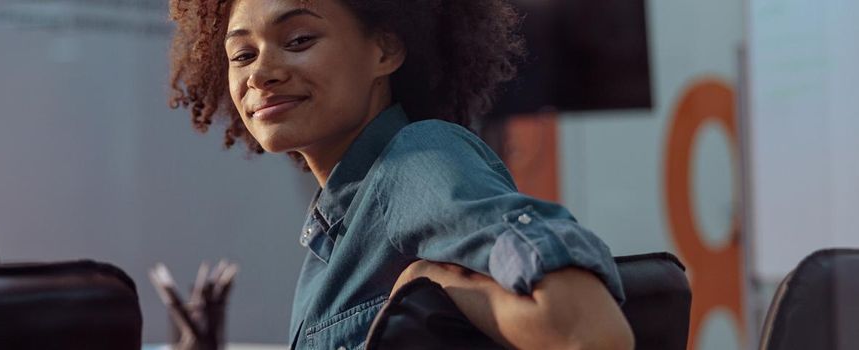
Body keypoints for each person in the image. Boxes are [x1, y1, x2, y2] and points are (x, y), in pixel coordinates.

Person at [167, 0, 634, 348]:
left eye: (299, 40)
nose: (261, 73)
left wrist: (435, 281)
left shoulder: (417, 162)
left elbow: (590, 331)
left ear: (385, 50)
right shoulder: (338, 230)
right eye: (242, 55)